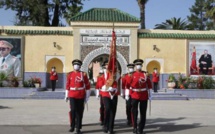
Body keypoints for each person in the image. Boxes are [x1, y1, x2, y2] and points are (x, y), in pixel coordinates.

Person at [65, 59, 91, 134]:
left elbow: (87, 85)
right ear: (73, 66)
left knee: (79, 112)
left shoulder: (83, 74)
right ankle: (72, 126)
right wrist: (66, 95)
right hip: (72, 94)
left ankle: (78, 128)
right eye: (75, 65)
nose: (76, 66)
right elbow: (67, 85)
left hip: (81, 94)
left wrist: (87, 97)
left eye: (77, 65)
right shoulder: (69, 74)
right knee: (73, 110)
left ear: (80, 66)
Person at [127, 59, 152, 134]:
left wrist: (150, 94)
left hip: (144, 95)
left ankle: (141, 128)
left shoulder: (145, 74)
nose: (139, 66)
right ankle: (134, 127)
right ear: (135, 66)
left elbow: (149, 85)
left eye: (140, 65)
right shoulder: (132, 74)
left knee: (143, 112)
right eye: (137, 65)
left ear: (142, 65)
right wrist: (128, 93)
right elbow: (128, 85)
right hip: (135, 94)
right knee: (134, 112)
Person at [98, 60, 119, 134]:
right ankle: (105, 125)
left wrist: (113, 89)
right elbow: (100, 85)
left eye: (109, 64)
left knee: (113, 111)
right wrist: (106, 87)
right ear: (105, 66)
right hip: (105, 94)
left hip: (114, 94)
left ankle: (111, 128)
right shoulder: (102, 76)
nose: (108, 66)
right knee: (107, 109)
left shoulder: (115, 74)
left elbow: (117, 83)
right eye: (106, 65)